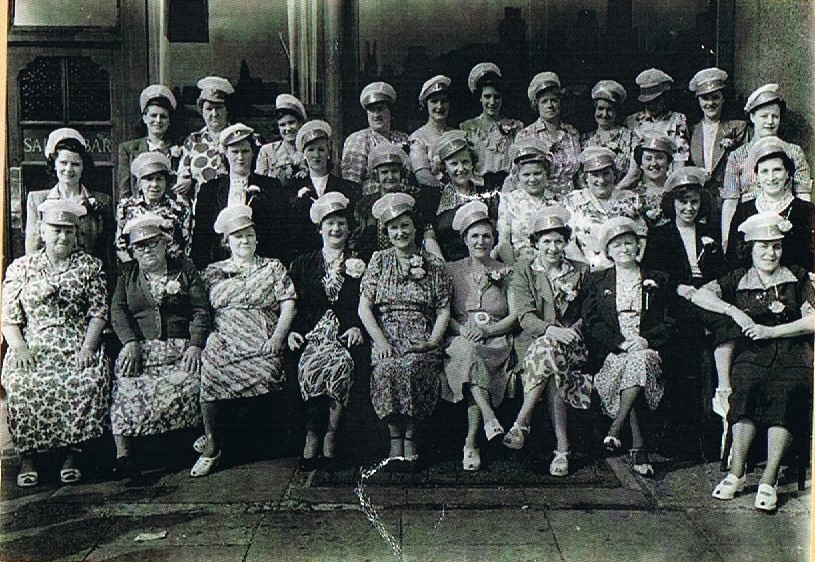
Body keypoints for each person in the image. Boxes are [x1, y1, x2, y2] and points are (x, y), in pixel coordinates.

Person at [690, 213, 814, 511]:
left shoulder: (797, 277)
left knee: (786, 392)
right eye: (763, 246)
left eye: (776, 246)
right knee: (744, 386)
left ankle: (769, 479)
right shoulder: (738, 278)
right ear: (750, 249)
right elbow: (699, 295)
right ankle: (737, 472)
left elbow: (813, 320)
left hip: (793, 352)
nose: (771, 253)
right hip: (753, 354)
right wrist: (734, 311)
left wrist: (772, 331)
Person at [2, 200, 110, 487]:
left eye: (68, 231)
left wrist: (88, 348)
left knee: (88, 378)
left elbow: (98, 313)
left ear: (76, 234)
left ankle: (73, 453)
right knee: (22, 383)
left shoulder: (90, 266)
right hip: (33, 344)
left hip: (77, 341)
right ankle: (28, 456)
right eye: (56, 230)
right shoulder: (21, 268)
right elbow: (8, 317)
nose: (63, 236)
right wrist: (20, 348)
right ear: (42, 231)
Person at [193, 205, 296, 477]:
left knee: (268, 371)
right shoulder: (213, 272)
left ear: (257, 238)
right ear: (226, 242)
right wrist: (204, 338)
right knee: (212, 369)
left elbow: (288, 304)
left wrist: (278, 336)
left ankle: (232, 437)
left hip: (262, 335)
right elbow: (201, 309)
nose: (245, 241)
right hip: (224, 337)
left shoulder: (272, 267)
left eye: (249, 235)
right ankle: (212, 441)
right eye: (238, 236)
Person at [110, 213, 209, 479]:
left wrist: (196, 345)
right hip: (142, 350)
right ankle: (123, 455)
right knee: (127, 383)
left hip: (180, 348)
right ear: (132, 251)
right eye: (140, 246)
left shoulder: (184, 268)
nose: (147, 250)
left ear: (164, 243)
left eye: (153, 243)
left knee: (192, 381)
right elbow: (117, 311)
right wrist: (130, 342)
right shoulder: (127, 274)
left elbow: (200, 309)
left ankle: (188, 444)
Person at [358, 193, 451, 466]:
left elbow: (443, 309)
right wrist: (381, 342)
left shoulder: (433, 264)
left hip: (421, 334)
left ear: (415, 227)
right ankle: (394, 436)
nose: (400, 233)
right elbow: (364, 308)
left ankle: (410, 436)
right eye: (394, 228)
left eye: (405, 226)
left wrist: (432, 341)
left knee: (412, 367)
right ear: (386, 232)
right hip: (386, 333)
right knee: (386, 369)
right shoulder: (379, 260)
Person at [582, 217, 676, 476]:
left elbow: (671, 320)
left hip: (648, 349)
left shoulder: (658, 278)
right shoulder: (597, 280)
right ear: (608, 251)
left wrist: (646, 340)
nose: (624, 249)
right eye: (617, 245)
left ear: (638, 246)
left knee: (639, 359)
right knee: (632, 364)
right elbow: (592, 320)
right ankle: (638, 448)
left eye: (628, 243)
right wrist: (619, 343)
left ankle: (616, 428)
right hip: (613, 351)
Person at [504, 207, 592, 477]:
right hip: (534, 343)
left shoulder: (580, 270)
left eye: (558, 241)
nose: (552, 248)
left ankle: (521, 422)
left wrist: (572, 331)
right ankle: (562, 449)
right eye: (546, 242)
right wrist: (552, 331)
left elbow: (589, 312)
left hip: (574, 343)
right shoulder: (525, 271)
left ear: (566, 242)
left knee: (551, 354)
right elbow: (525, 317)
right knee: (551, 360)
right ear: (536, 243)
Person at [641, 167, 727, 443]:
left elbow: (723, 270)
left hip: (709, 296)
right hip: (676, 301)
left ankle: (716, 426)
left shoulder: (710, 232)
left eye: (694, 202)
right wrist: (677, 287)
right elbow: (651, 274)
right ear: (672, 204)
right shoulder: (660, 235)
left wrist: (714, 287)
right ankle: (683, 433)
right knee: (687, 348)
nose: (689, 208)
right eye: (683, 202)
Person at [288, 193, 365, 471]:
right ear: (319, 229)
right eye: (330, 224)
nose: (336, 229)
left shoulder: (359, 263)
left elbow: (367, 302)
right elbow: (293, 303)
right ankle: (312, 435)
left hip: (343, 333)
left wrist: (357, 326)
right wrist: (292, 332)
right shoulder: (303, 263)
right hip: (311, 334)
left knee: (340, 365)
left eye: (341, 223)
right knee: (309, 366)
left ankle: (331, 434)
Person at [442, 201, 516, 472]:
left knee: (475, 359)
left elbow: (514, 316)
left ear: (494, 239)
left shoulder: (506, 271)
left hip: (495, 340)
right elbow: (444, 313)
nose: (480, 241)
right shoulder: (451, 271)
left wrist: (487, 331)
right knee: (470, 353)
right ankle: (483, 425)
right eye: (474, 236)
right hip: (461, 337)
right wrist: (463, 330)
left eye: (486, 236)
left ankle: (474, 438)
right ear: (464, 240)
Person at [721, 83, 812, 249]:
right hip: (749, 224)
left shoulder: (794, 152)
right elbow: (730, 201)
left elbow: (803, 195)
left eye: (775, 116)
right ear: (752, 117)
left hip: (785, 225)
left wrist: (803, 232)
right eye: (764, 116)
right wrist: (727, 240)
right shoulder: (737, 156)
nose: (770, 122)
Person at [191, 123, 287, 269]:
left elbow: (280, 233)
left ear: (253, 152)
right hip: (219, 265)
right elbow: (201, 237)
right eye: (235, 152)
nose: (240, 157)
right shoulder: (209, 190)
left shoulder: (271, 187)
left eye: (245, 151)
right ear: (226, 153)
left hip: (260, 266)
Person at [25, 128, 114, 270]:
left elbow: (107, 249)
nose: (68, 169)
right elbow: (32, 250)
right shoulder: (37, 200)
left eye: (75, 164)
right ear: (54, 164)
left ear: (83, 166)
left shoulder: (102, 200)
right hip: (49, 275)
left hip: (90, 274)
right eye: (63, 162)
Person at [725, 136, 814, 272]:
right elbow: (733, 260)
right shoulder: (744, 211)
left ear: (787, 173)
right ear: (757, 177)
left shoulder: (806, 210)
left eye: (777, 170)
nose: (771, 178)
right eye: (764, 171)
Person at [176, 76, 261, 206]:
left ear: (227, 110)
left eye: (219, 108)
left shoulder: (246, 138)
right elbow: (183, 178)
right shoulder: (193, 141)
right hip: (202, 210)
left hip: (238, 206)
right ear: (201, 111)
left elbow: (260, 175)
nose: (214, 113)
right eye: (209, 109)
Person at [353, 143, 441, 262]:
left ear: (402, 173)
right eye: (384, 172)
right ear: (376, 176)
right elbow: (359, 239)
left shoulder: (415, 200)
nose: (390, 176)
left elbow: (426, 233)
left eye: (394, 171)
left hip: (412, 260)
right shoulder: (365, 205)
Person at [564, 146, 644, 270]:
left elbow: (642, 237)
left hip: (627, 268)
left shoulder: (631, 199)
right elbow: (568, 243)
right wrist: (587, 270)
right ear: (585, 178)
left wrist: (631, 267)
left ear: (614, 175)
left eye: (606, 174)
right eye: (595, 175)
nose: (601, 180)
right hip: (589, 271)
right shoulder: (573, 200)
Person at [288, 120, 359, 258]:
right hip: (303, 256)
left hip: (339, 254)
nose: (316, 155)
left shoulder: (347, 188)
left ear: (328, 152)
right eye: (311, 150)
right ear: (304, 154)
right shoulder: (292, 188)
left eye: (321, 149)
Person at [687, 68, 747, 219]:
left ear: (723, 99)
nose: (710, 103)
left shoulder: (737, 128)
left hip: (729, 200)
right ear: (698, 101)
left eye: (715, 97)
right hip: (698, 204)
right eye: (705, 98)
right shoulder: (691, 131)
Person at [114, 152, 192, 262]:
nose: (154, 185)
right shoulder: (125, 207)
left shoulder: (180, 209)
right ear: (139, 184)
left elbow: (186, 248)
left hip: (170, 267)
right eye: (149, 179)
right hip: (135, 267)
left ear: (166, 182)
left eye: (159, 179)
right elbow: (120, 246)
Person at [434, 130, 499, 261]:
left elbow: (498, 232)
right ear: (444, 167)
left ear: (472, 164)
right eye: (454, 164)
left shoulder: (487, 193)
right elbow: (430, 238)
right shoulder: (434, 197)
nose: (461, 168)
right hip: (450, 262)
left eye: (465, 162)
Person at [513, 72, 580, 197]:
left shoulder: (572, 133)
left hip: (571, 198)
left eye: (553, 100)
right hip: (540, 198)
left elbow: (578, 174)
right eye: (544, 101)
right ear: (536, 105)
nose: (550, 105)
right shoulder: (526, 135)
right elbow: (517, 176)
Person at [460, 62, 524, 192]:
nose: (492, 102)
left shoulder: (515, 127)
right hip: (479, 189)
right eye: (487, 97)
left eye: (497, 97)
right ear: (480, 98)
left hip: (509, 189)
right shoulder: (468, 127)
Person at [495, 143, 559, 265]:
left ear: (546, 174)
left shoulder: (555, 201)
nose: (532, 179)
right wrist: (516, 269)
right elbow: (503, 243)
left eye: (537, 173)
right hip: (520, 263)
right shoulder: (509, 200)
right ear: (518, 177)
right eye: (526, 175)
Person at [341, 81, 411, 195]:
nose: (376, 115)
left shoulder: (403, 138)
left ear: (390, 111)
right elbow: (351, 185)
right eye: (371, 110)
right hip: (371, 201)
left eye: (380, 109)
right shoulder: (358, 139)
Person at [118, 84, 183, 199]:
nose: (158, 120)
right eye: (153, 115)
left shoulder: (179, 148)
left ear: (169, 121)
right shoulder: (128, 149)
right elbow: (125, 188)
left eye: (163, 116)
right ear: (145, 118)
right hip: (138, 207)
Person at [624, 68, 689, 171]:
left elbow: (680, 158)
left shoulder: (677, 120)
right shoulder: (632, 121)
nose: (651, 105)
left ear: (664, 97)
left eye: (656, 100)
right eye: (647, 101)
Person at [580, 80, 640, 190]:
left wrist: (613, 192)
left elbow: (634, 173)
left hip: (622, 193)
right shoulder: (585, 140)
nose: (604, 114)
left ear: (616, 112)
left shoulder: (631, 137)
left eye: (609, 109)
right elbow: (580, 175)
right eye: (600, 108)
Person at [409, 75, 454, 189]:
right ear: (426, 104)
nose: (440, 106)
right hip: (433, 193)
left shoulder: (456, 133)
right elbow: (422, 175)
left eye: (444, 101)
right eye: (434, 101)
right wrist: (450, 190)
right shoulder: (418, 137)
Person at [255, 93, 308, 187]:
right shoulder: (267, 151)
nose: (288, 129)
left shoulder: (310, 149)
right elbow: (259, 182)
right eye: (282, 125)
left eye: (291, 123)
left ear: (300, 123)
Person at [630, 136, 674, 230]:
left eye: (659, 158)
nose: (654, 163)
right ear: (641, 164)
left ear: (668, 162)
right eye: (648, 158)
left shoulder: (676, 192)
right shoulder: (633, 195)